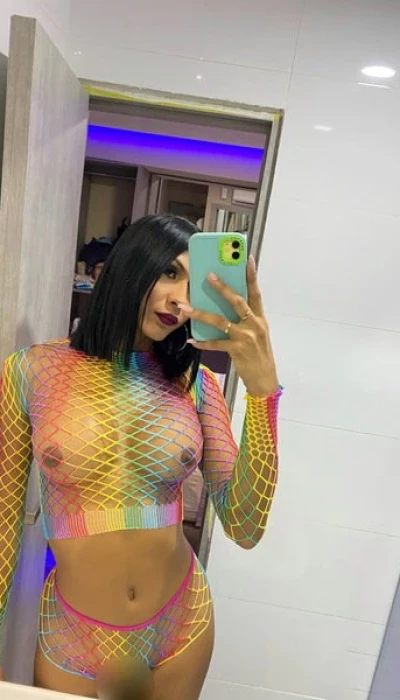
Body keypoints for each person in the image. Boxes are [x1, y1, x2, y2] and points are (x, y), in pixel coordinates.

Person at [0, 215, 282, 700]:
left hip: (181, 626)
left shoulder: (195, 383)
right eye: (169, 272)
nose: (180, 300)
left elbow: (245, 525)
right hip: (72, 636)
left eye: (193, 285)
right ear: (133, 263)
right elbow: (4, 520)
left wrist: (262, 392)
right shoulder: (31, 371)